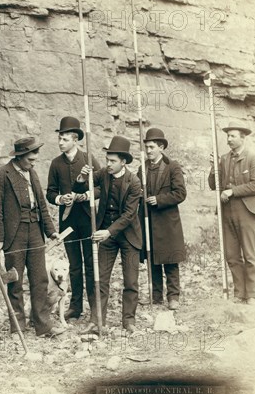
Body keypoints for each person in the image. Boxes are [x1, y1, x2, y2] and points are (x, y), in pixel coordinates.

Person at [0, 137, 64, 338]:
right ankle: (17, 327)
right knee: (15, 280)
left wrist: (50, 231)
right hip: (14, 234)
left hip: (35, 232)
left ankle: (42, 325)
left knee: (39, 280)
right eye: (30, 159)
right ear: (20, 157)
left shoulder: (32, 173)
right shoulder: (1, 175)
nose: (34, 162)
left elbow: (42, 204)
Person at [74, 135, 142, 334]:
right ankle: (97, 321)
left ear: (123, 162)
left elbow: (129, 215)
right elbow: (82, 186)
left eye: (113, 161)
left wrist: (109, 232)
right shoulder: (103, 174)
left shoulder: (134, 182)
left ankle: (128, 321)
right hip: (106, 235)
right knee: (100, 279)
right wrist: (81, 177)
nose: (108, 164)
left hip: (128, 236)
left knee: (130, 281)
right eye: (107, 160)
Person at [46, 116, 101, 321]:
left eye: (65, 139)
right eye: (59, 138)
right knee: (74, 266)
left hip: (88, 219)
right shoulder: (55, 164)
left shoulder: (88, 159)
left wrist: (85, 196)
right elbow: (50, 193)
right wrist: (61, 198)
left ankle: (95, 307)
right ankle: (75, 306)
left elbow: (101, 187)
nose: (60, 142)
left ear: (75, 140)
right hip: (68, 222)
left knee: (90, 263)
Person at [208, 121, 255, 306]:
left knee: (249, 254)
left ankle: (252, 295)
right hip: (227, 211)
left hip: (246, 211)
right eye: (227, 136)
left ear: (242, 137)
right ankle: (239, 293)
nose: (229, 139)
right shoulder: (223, 159)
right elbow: (213, 185)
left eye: (232, 136)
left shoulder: (252, 158)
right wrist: (213, 168)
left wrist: (233, 191)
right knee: (231, 255)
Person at [140, 128, 187, 310]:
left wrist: (158, 199)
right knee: (152, 258)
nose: (148, 150)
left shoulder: (172, 166)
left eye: (151, 147)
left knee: (170, 259)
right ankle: (156, 295)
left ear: (161, 147)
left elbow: (180, 193)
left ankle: (173, 296)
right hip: (149, 221)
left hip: (168, 222)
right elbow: (137, 190)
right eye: (146, 147)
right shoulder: (142, 168)